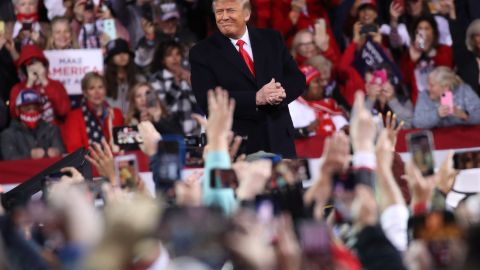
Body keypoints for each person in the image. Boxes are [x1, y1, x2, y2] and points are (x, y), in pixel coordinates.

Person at [189, 0, 305, 158]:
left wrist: (280, 93)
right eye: (219, 12)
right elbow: (209, 101)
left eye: (230, 10)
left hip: (280, 140)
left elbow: (297, 79)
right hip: (239, 147)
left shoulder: (272, 39)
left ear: (246, 14)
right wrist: (256, 98)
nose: (224, 17)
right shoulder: (201, 53)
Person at [62, 72, 124, 153]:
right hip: (88, 164)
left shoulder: (116, 113)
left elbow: (123, 145)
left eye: (100, 87)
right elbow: (74, 151)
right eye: (92, 88)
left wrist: (110, 125)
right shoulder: (74, 117)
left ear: (105, 90)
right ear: (85, 93)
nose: (97, 92)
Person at [9, 44, 71, 124]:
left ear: (44, 65)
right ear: (24, 69)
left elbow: (63, 110)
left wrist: (45, 82)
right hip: (26, 133)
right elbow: (15, 114)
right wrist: (29, 85)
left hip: (52, 132)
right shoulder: (17, 89)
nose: (35, 67)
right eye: (30, 64)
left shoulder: (56, 85)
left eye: (37, 63)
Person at [150, 40, 199, 135]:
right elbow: (164, 106)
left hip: (194, 132)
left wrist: (191, 82)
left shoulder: (188, 75)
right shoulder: (156, 80)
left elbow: (199, 103)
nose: (175, 58)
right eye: (169, 55)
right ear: (163, 60)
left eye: (177, 54)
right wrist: (176, 83)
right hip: (170, 134)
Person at [1, 89, 65, 160]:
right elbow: (9, 161)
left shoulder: (52, 129)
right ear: (17, 110)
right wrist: (29, 155)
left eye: (35, 107)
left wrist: (56, 152)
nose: (32, 111)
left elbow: (62, 151)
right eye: (27, 108)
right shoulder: (8, 135)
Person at [413, 66, 480, 128]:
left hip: (463, 137)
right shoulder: (424, 96)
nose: (428, 88)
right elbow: (417, 123)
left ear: (446, 87)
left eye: (431, 85)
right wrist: (437, 114)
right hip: (437, 138)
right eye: (428, 84)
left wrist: (465, 116)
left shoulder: (464, 91)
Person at [104, 38, 139, 115]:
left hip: (135, 121)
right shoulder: (104, 82)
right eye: (117, 53)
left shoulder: (139, 79)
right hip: (112, 122)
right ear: (110, 58)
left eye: (125, 52)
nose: (122, 56)